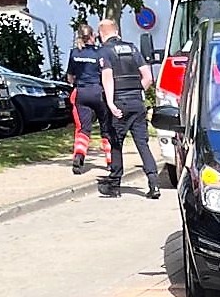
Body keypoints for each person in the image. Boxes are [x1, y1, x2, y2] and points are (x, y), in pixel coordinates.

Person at [97, 19, 160, 199]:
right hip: (137, 103)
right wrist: (136, 90)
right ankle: (154, 183)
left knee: (116, 143)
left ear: (102, 33)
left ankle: (114, 185)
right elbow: (148, 77)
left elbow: (107, 78)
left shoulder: (105, 51)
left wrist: (111, 102)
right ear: (117, 31)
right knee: (142, 144)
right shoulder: (132, 48)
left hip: (120, 103)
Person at [66, 24, 112, 174]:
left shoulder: (74, 53)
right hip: (99, 93)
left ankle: (78, 158)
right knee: (106, 128)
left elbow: (70, 78)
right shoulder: (100, 53)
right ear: (93, 36)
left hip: (81, 93)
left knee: (83, 129)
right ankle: (111, 161)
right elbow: (106, 74)